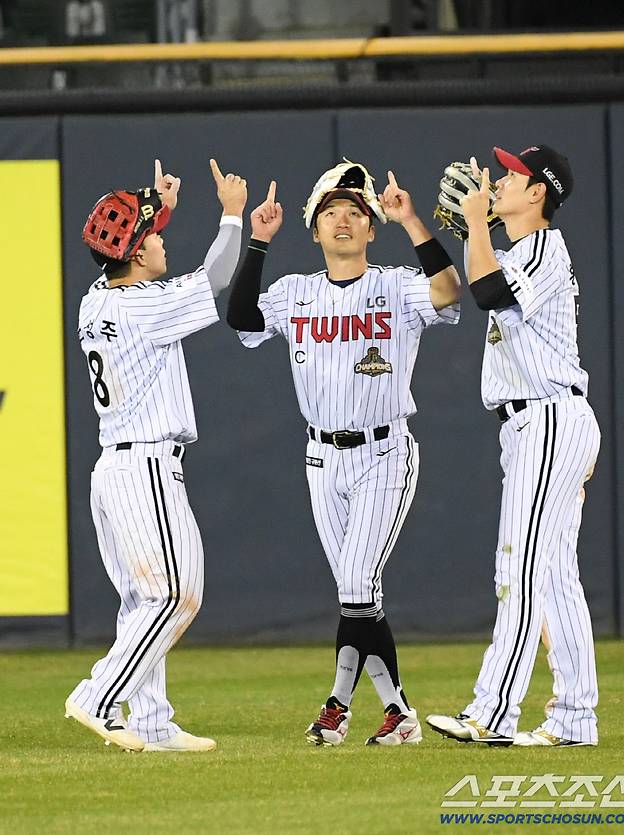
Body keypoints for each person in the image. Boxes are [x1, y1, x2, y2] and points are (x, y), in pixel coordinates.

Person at [226, 160, 461, 746]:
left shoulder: (394, 283)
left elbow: (448, 291)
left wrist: (412, 221)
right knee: (360, 596)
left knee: (357, 585)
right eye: (331, 212)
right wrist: (257, 239)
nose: (343, 221)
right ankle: (399, 714)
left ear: (370, 229)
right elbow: (240, 317)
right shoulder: (296, 293)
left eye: (356, 213)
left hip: (384, 451)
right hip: (321, 460)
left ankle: (335, 704)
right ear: (314, 229)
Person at [65, 159, 247, 752]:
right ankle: (98, 694)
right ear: (137, 255)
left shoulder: (97, 299)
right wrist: (232, 216)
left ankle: (148, 723)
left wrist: (155, 205)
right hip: (143, 464)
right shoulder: (143, 305)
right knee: (175, 595)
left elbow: (119, 245)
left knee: (143, 600)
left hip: (115, 467)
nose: (163, 239)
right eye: (156, 235)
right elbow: (216, 275)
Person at [427, 145, 601, 747]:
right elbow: (477, 279)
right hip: (543, 422)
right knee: (553, 577)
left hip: (549, 418)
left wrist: (477, 222)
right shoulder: (521, 249)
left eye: (511, 176)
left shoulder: (545, 248)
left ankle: (493, 713)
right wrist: (418, 226)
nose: (498, 182)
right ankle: (575, 718)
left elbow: (488, 294)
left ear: (538, 194)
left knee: (520, 568)